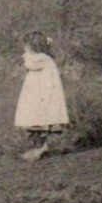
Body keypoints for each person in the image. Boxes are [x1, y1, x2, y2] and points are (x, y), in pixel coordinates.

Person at [14, 31, 69, 161]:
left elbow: (29, 64)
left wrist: (26, 54)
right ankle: (38, 148)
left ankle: (39, 148)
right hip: (39, 95)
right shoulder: (44, 58)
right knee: (36, 125)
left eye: (27, 46)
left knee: (38, 121)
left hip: (41, 97)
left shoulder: (41, 58)